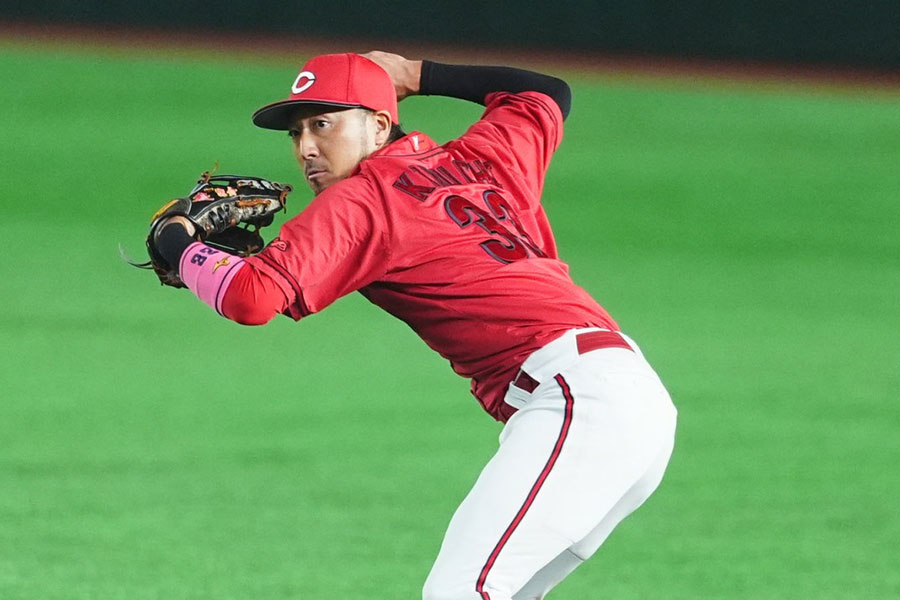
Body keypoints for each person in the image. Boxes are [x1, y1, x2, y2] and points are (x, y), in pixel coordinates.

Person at [153, 51, 678, 600]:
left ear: (379, 124)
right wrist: (417, 75)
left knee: (457, 593)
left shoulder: (363, 200)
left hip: (578, 401)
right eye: (297, 131)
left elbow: (250, 298)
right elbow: (544, 93)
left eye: (324, 123)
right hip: (625, 396)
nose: (306, 147)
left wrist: (179, 243)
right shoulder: (481, 157)